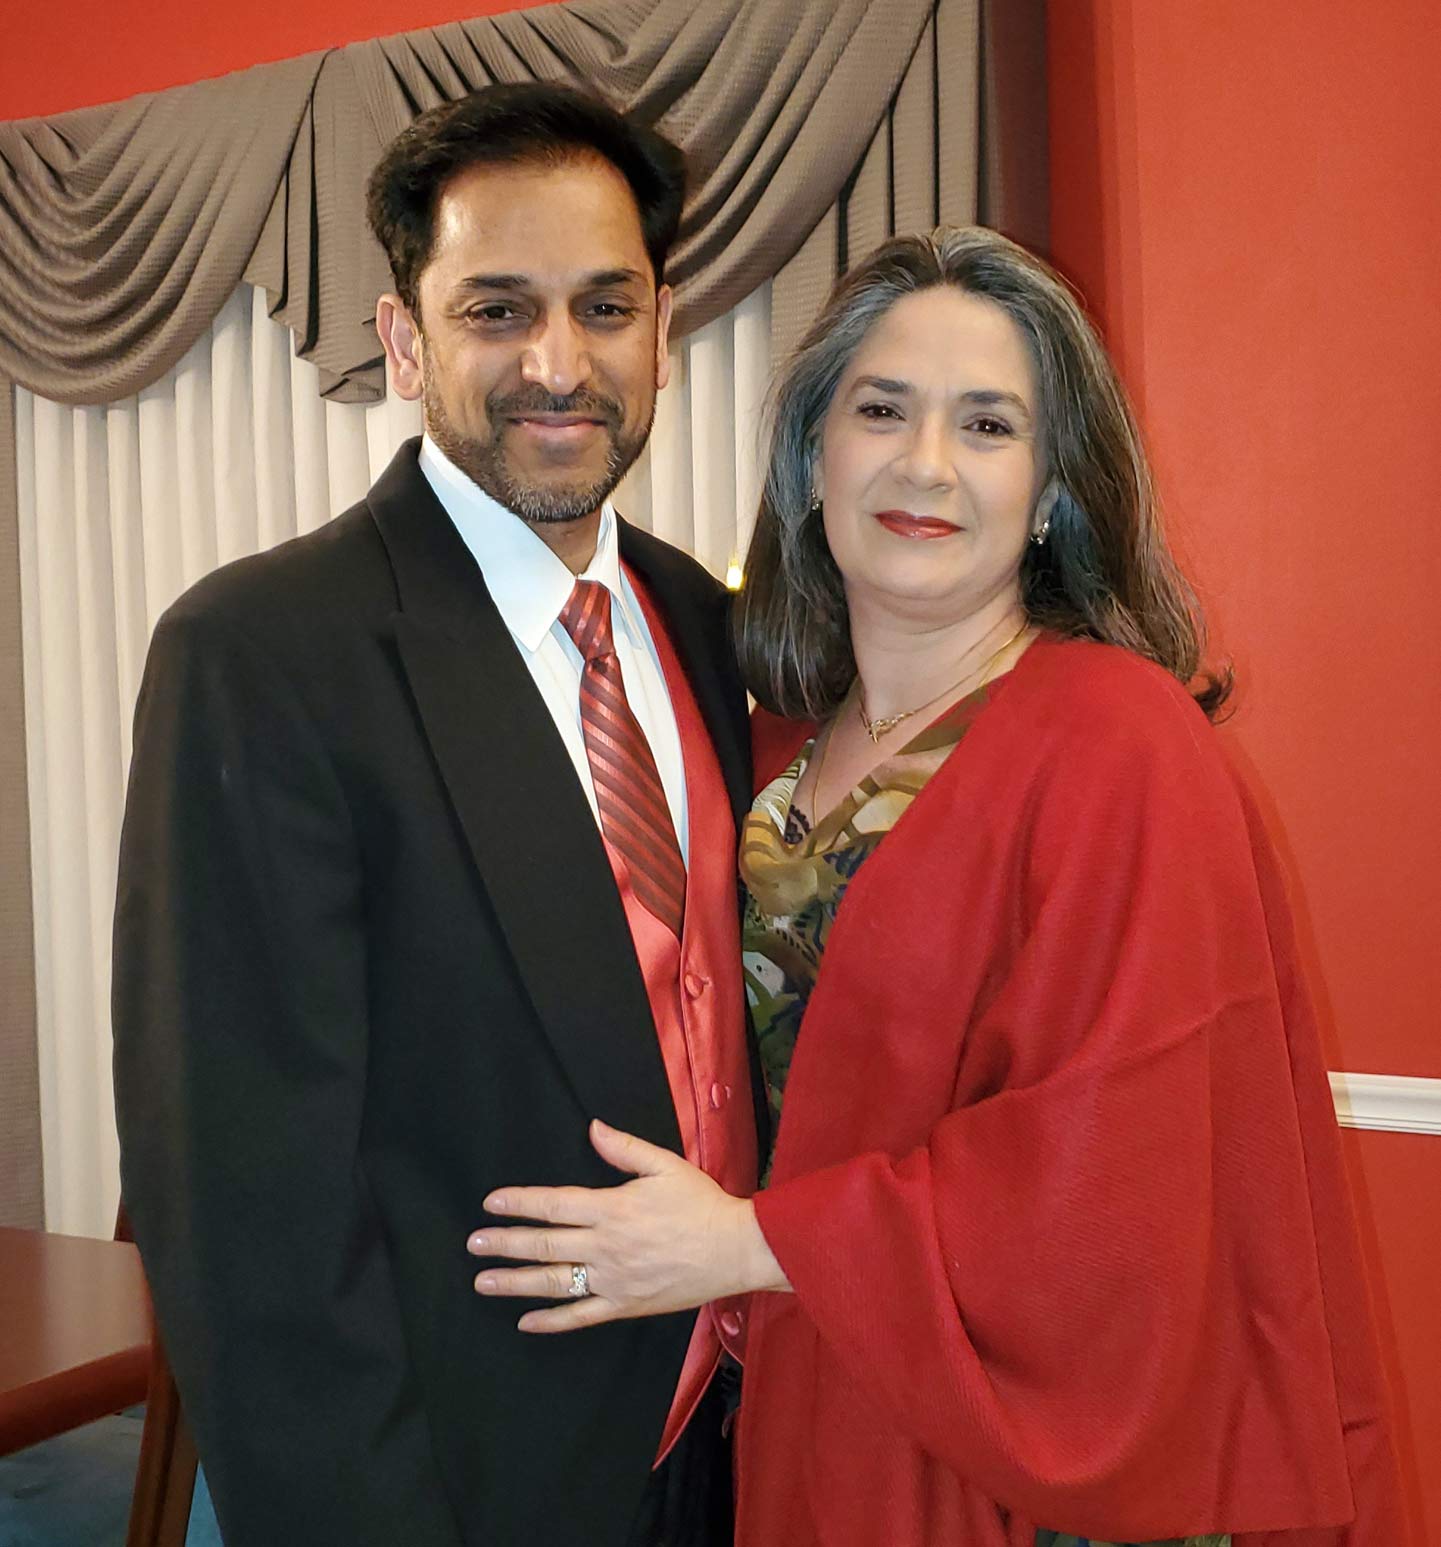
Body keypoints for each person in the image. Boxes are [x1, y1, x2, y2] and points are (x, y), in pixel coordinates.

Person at [466, 226, 1406, 1545]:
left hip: (1021, 1475)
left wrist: (753, 1245)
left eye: (985, 425)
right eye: (881, 411)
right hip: (793, 1407)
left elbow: (1115, 1180)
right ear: (809, 459)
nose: (923, 466)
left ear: (1051, 490)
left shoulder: (1120, 745)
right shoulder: (761, 746)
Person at [112, 83, 760, 1547]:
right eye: (495, 310)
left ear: (664, 327)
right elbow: (244, 1216)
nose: (557, 363)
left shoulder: (710, 629)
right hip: (464, 1488)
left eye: (603, 307)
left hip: (732, 1454)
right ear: (406, 344)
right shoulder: (264, 653)